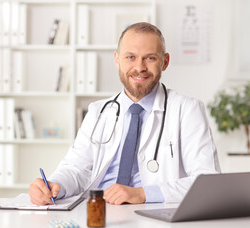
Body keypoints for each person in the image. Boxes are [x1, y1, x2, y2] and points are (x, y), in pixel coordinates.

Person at [29, 22, 220, 206]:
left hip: (152, 213)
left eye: (150, 58)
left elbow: (209, 182)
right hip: (98, 211)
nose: (140, 67)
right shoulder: (98, 111)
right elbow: (77, 168)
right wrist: (55, 186)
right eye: (130, 57)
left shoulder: (187, 109)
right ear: (117, 59)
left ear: (165, 62)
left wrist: (143, 194)